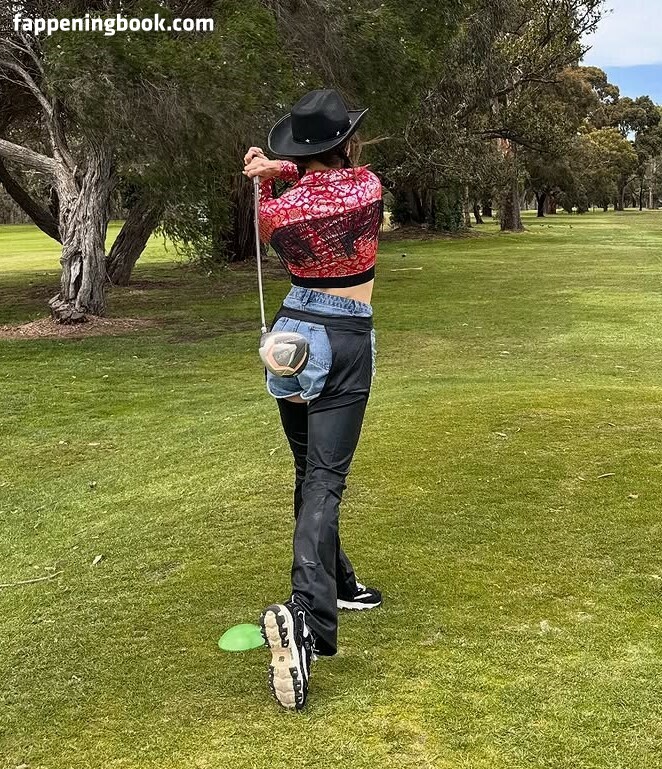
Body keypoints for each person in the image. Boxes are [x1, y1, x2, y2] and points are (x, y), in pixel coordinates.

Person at [243, 89, 383, 711]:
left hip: (289, 333)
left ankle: (340, 582)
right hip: (342, 335)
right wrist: (286, 167)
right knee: (325, 477)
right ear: (344, 142)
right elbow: (339, 183)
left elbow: (291, 199)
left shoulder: (278, 210)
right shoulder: (366, 188)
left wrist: (274, 174)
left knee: (309, 470)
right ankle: (305, 615)